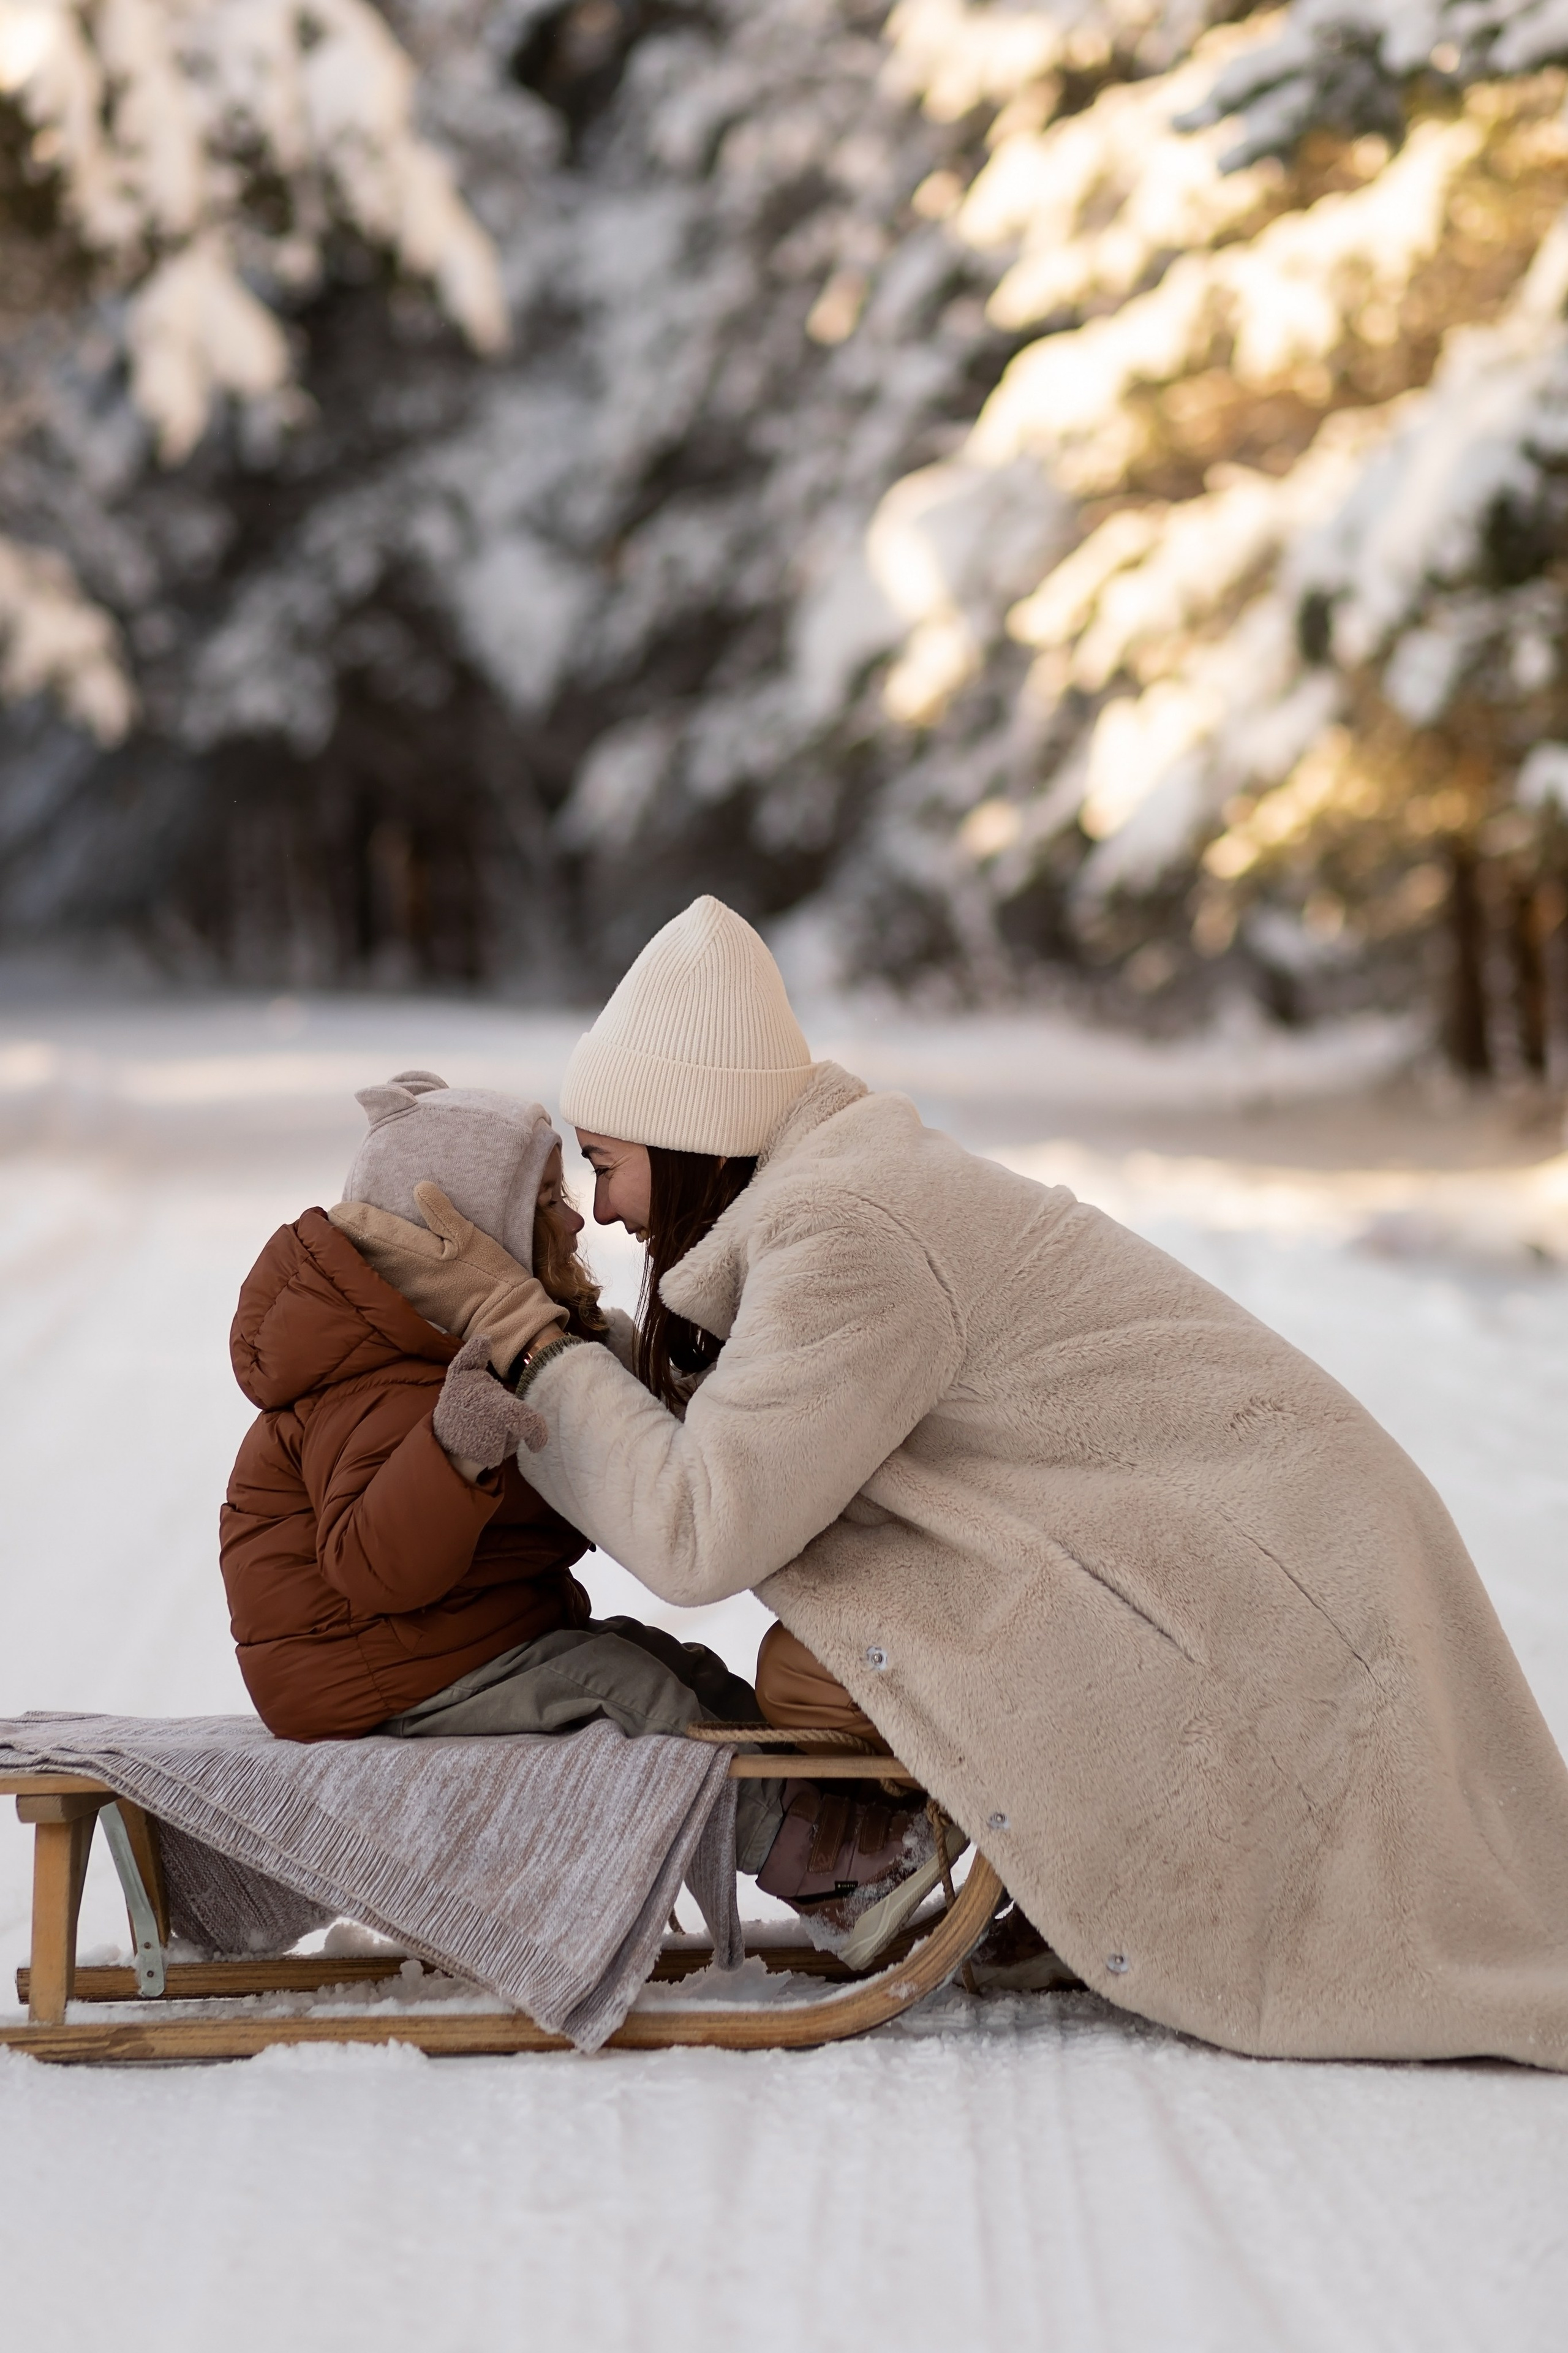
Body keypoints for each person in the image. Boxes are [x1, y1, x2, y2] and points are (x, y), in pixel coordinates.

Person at [385, 894, 1568, 2063]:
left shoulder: (845, 1238)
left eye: (607, 1165)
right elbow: (744, 1443)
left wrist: (528, 1341)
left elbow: (701, 1528)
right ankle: (1056, 1874)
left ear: (687, 1137)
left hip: (1268, 1557)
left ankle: (978, 1868)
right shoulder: (826, 1195)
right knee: (822, 1654)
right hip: (1239, 1521)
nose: (600, 1210)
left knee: (826, 1665)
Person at [220, 1071, 782, 1880]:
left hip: (463, 1640)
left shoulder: (466, 1346)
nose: (578, 1216)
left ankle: (827, 1796)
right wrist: (451, 1450)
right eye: (549, 1201)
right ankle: (819, 1863)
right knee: (635, 1695)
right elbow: (371, 1563)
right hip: (380, 1671)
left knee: (672, 1666)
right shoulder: (384, 1382)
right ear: (477, 1233)